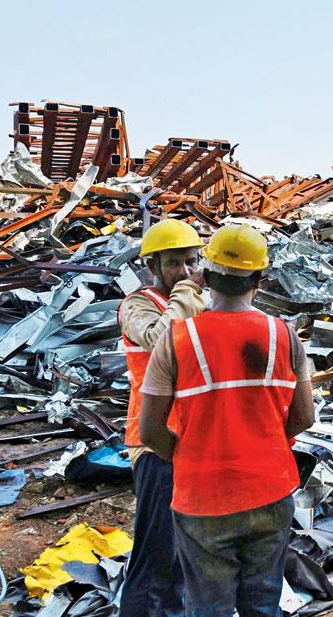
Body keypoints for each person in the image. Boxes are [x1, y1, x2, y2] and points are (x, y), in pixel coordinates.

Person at [139, 224, 316, 617]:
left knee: (207, 606)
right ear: (259, 278)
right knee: (264, 602)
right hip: (270, 491)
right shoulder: (285, 335)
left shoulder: (176, 339)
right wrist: (268, 441)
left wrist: (187, 456)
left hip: (203, 498)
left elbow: (149, 430)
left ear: (206, 275)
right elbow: (304, 416)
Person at [119, 218, 206, 617]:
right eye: (174, 263)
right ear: (153, 266)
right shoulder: (137, 306)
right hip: (155, 441)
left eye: (191, 262)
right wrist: (189, 292)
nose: (185, 272)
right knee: (155, 553)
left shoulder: (199, 303)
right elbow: (161, 341)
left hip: (195, 440)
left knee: (186, 555)